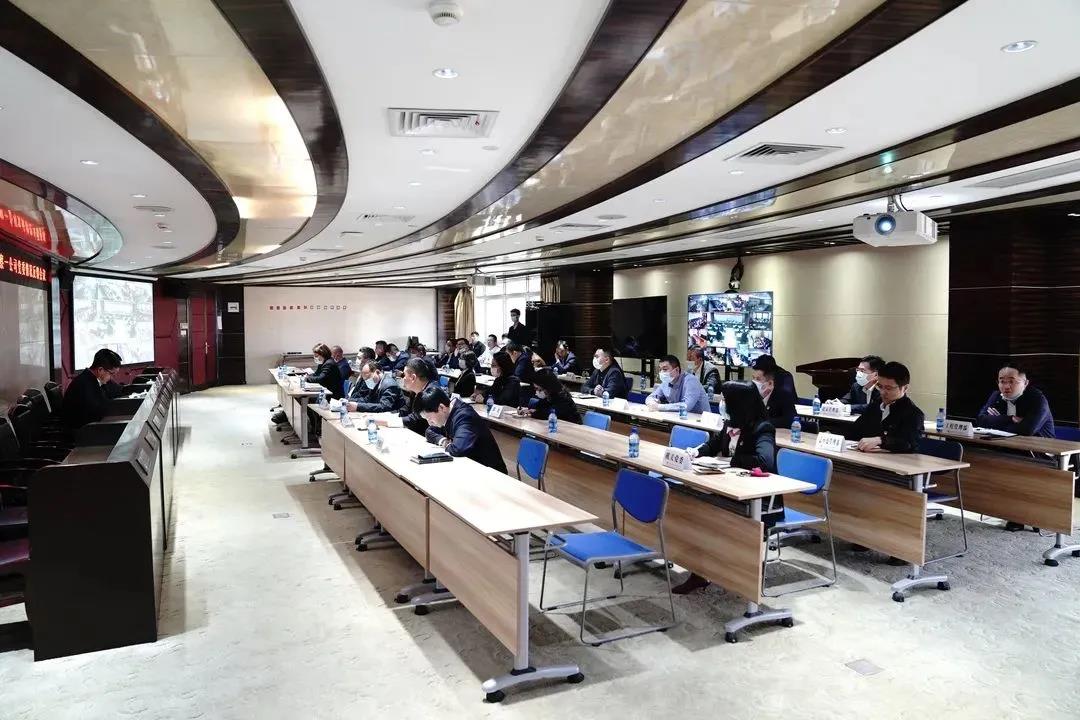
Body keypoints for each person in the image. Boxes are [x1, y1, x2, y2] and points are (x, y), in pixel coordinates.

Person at [675, 381, 779, 594]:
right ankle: (699, 572)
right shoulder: (730, 423)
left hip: (756, 499)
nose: (722, 403)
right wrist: (696, 452)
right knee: (695, 511)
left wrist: (730, 461)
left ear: (739, 403)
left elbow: (765, 461)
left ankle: (739, 579)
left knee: (710, 517)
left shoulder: (763, 428)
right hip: (728, 489)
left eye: (725, 400)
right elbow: (712, 445)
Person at [421, 387, 508, 473]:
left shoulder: (464, 416)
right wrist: (444, 441)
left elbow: (458, 449)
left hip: (490, 473)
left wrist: (448, 445)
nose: (429, 423)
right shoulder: (447, 413)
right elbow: (429, 432)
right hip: (471, 468)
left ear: (441, 408)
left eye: (429, 418)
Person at [848, 361, 923, 453]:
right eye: (880, 386)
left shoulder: (913, 413)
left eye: (888, 388)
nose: (882, 392)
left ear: (905, 388)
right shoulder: (875, 406)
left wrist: (880, 440)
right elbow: (855, 430)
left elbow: (909, 443)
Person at [975, 362, 1055, 438]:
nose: (1006, 386)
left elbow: (1027, 430)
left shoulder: (1037, 398)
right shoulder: (996, 395)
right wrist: (1010, 418)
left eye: (1011, 381)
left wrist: (996, 421)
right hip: (1007, 444)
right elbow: (980, 421)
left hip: (1040, 446)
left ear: (1025, 383)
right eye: (1002, 381)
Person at [62, 348, 123, 430]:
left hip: (90, 426)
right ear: (100, 370)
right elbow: (96, 411)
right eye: (112, 374)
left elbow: (117, 390)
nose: (112, 377)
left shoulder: (95, 378)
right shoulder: (83, 384)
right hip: (81, 431)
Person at [396, 357, 439, 435]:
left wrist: (387, 422)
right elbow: (406, 409)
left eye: (404, 375)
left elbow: (414, 419)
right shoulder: (415, 390)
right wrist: (390, 416)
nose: (403, 379)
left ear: (413, 378)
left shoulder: (432, 393)